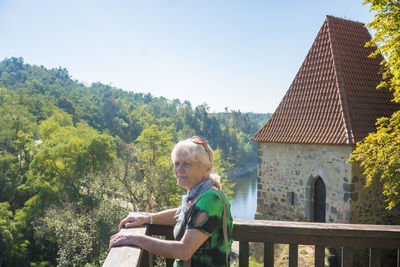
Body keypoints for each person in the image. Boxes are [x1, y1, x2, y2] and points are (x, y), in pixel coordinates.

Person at [109, 136, 233, 267]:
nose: (178, 170)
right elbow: (183, 213)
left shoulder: (211, 198)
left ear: (207, 168)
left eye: (187, 164)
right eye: (177, 163)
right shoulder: (198, 194)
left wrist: (136, 239)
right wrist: (147, 218)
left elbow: (184, 250)